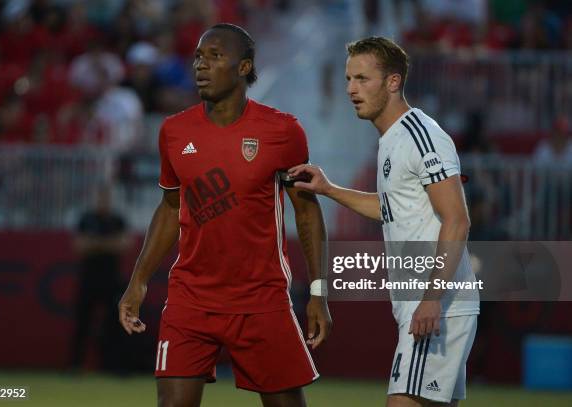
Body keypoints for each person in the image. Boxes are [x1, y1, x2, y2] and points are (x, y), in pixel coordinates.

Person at [118, 23, 332, 407]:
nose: (201, 64)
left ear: (244, 67)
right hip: (190, 299)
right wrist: (139, 280)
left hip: (261, 299)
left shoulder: (282, 131)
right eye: (199, 56)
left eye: (215, 56)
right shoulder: (174, 131)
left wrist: (318, 292)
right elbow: (170, 208)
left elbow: (307, 214)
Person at [289, 37, 479, 407]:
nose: (350, 89)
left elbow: (457, 220)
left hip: (436, 303)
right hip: (427, 304)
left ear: (393, 82)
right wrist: (328, 189)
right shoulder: (392, 139)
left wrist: (431, 299)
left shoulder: (420, 134)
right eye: (348, 79)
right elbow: (390, 208)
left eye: (362, 79)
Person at [71, 186, 129, 373]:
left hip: (111, 281)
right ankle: (74, 365)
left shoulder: (117, 219)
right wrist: (109, 244)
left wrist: (95, 243)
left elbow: (125, 244)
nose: (103, 201)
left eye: (106, 197)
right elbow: (79, 245)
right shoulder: (86, 218)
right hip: (89, 280)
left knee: (115, 323)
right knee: (82, 323)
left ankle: (114, 366)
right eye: (100, 197)